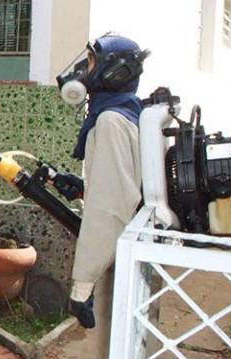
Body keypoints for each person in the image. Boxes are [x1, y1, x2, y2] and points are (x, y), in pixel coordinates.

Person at [56, 34, 148, 328]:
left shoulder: (110, 121)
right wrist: (85, 187)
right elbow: (126, 184)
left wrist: (82, 286)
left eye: (92, 61)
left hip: (123, 254)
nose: (84, 69)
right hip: (130, 247)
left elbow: (110, 209)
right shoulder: (125, 113)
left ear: (115, 72)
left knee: (120, 355)